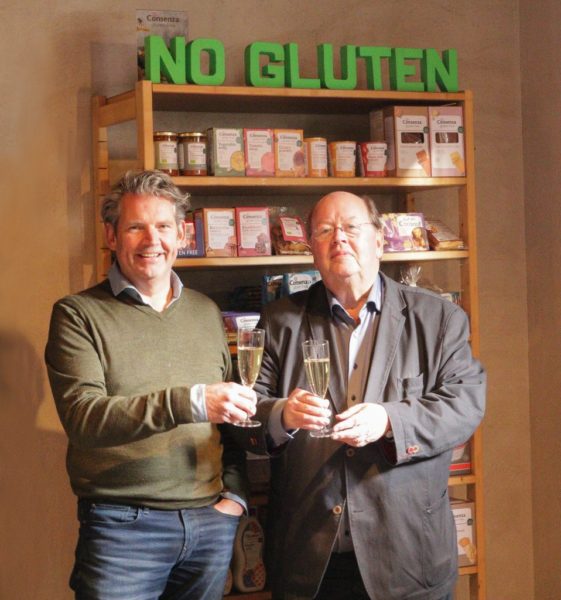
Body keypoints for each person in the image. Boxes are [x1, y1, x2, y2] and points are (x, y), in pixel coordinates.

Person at [248, 191, 486, 600]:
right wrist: (281, 415)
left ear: (379, 240)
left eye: (351, 227)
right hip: (310, 562)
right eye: (325, 230)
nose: (339, 238)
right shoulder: (278, 321)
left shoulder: (438, 318)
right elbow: (245, 415)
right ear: (312, 249)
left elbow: (464, 404)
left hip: (408, 560)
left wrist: (389, 420)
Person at [45, 170, 257, 600]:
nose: (151, 240)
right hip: (123, 528)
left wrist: (234, 498)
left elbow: (230, 422)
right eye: (135, 227)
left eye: (163, 226)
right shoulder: (77, 315)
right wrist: (190, 402)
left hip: (209, 523)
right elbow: (84, 418)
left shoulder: (205, 311)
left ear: (182, 235)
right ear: (111, 235)